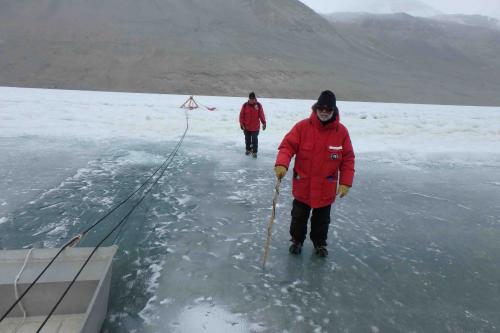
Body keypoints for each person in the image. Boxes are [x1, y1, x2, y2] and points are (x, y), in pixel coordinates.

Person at [274, 90, 355, 257]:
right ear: (316, 108)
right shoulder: (302, 127)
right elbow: (287, 147)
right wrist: (282, 163)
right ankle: (296, 241)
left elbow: (348, 159)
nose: (324, 112)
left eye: (328, 109)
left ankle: (319, 244)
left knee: (322, 221)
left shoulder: (341, 132)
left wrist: (346, 182)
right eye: (321, 108)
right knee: (298, 218)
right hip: (303, 184)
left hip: (326, 187)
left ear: (334, 111)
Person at [239, 92, 266, 158]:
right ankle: (248, 150)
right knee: (247, 139)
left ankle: (254, 152)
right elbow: (241, 115)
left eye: (253, 99)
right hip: (246, 127)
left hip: (255, 127)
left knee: (254, 139)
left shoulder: (258, 105)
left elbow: (261, 114)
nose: (252, 100)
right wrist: (241, 123)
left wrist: (264, 123)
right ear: (249, 99)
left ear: (255, 98)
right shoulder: (245, 105)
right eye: (251, 99)